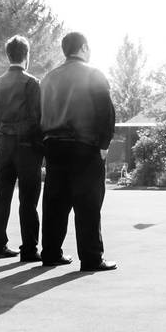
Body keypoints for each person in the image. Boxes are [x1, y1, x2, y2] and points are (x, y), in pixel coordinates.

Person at [39, 32, 117, 271]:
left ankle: (51, 253)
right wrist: (104, 144)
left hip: (54, 144)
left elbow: (38, 114)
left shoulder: (48, 78)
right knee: (88, 204)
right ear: (83, 48)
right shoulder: (94, 74)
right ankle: (91, 257)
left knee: (54, 203)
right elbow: (106, 112)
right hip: (84, 146)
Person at [0, 35, 43, 262]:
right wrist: (40, 149)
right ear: (26, 55)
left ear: (8, 55)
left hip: (5, 144)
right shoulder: (31, 83)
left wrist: (1, 143)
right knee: (28, 200)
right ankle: (29, 248)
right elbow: (37, 118)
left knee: (2, 196)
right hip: (26, 146)